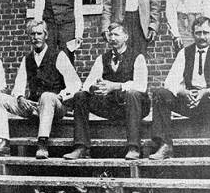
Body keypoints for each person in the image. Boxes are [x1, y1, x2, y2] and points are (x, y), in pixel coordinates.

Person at [0, 20, 81, 159]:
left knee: (46, 96)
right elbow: (18, 86)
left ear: (46, 35)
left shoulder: (59, 55)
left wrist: (61, 96)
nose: (36, 37)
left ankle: (42, 144)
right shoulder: (27, 59)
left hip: (56, 105)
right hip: (34, 106)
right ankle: (3, 143)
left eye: (39, 33)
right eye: (32, 34)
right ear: (29, 37)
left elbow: (75, 84)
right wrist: (20, 98)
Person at [150, 16, 210, 160]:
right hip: (189, 102)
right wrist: (183, 92)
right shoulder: (184, 53)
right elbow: (170, 82)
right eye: (198, 33)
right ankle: (165, 145)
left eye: (205, 33)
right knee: (159, 93)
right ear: (193, 34)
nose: (202, 37)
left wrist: (206, 92)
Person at [64, 23, 150, 160]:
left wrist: (116, 86)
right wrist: (96, 88)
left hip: (133, 106)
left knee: (133, 93)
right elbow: (87, 85)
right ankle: (81, 147)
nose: (113, 38)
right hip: (111, 106)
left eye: (117, 34)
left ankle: (133, 147)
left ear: (126, 37)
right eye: (110, 35)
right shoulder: (102, 58)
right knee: (80, 96)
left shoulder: (137, 57)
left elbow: (141, 86)